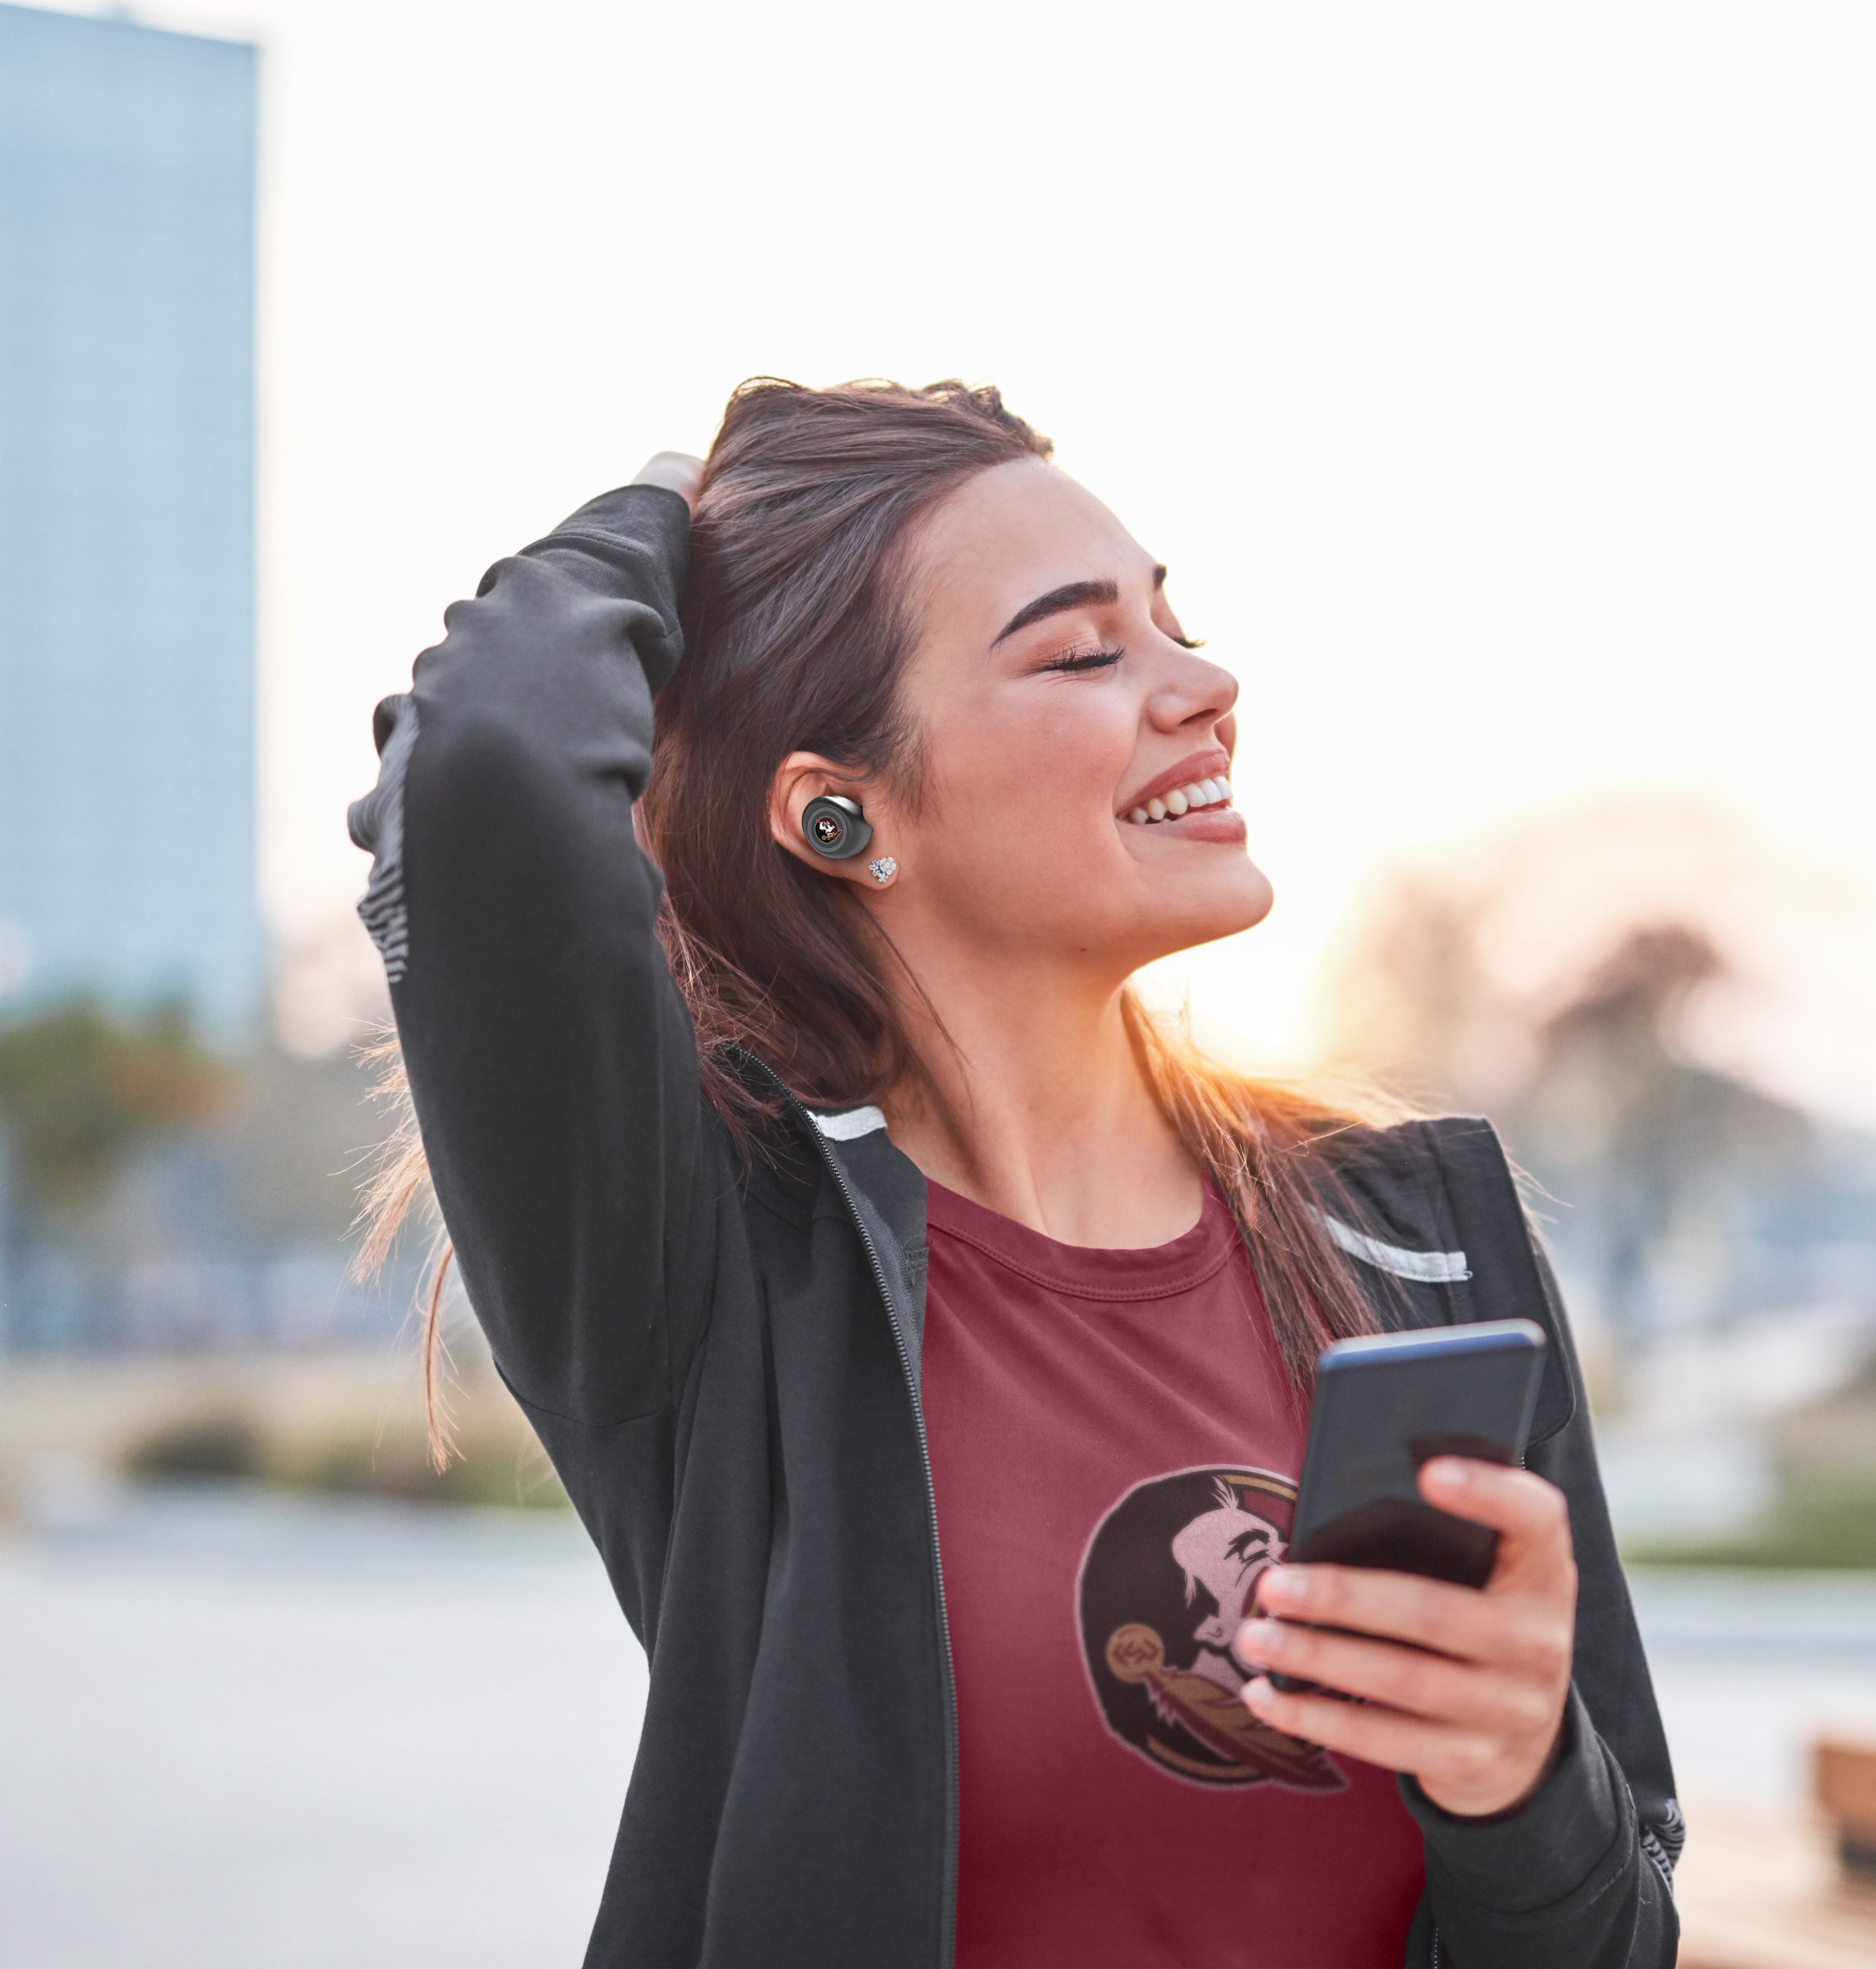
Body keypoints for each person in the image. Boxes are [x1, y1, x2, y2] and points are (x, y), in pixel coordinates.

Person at [352, 380, 1680, 1967]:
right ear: (839, 812)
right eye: (1084, 650)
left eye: (1174, 620)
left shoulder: (1412, 1240)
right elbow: (489, 762)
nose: (1204, 684)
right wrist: (683, 496)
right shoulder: (716, 1275)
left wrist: (1519, 1780)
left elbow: (1617, 1938)